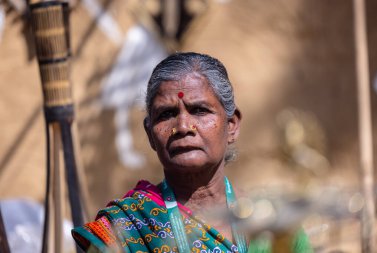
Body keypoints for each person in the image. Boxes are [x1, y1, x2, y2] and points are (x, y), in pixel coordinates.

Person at [72, 52, 312, 253]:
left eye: (199, 110)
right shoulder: (124, 227)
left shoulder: (275, 225)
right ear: (150, 133)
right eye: (166, 114)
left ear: (232, 125)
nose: (183, 127)